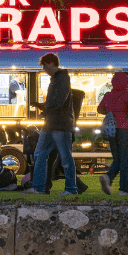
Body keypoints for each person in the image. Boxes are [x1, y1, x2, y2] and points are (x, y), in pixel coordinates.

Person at [29, 53, 79, 197]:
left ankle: (68, 188)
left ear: (51, 64)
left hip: (60, 123)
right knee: (57, 156)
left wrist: (45, 107)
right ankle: (44, 187)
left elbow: (58, 101)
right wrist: (45, 107)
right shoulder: (58, 79)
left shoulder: (61, 79)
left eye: (44, 66)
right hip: (54, 123)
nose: (44, 70)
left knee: (51, 155)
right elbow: (57, 101)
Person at [97, 71, 128, 196]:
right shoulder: (127, 95)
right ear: (126, 83)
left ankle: (108, 178)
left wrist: (111, 110)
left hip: (111, 131)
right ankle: (123, 189)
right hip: (125, 129)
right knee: (126, 159)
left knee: (118, 158)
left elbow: (100, 109)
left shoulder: (107, 95)